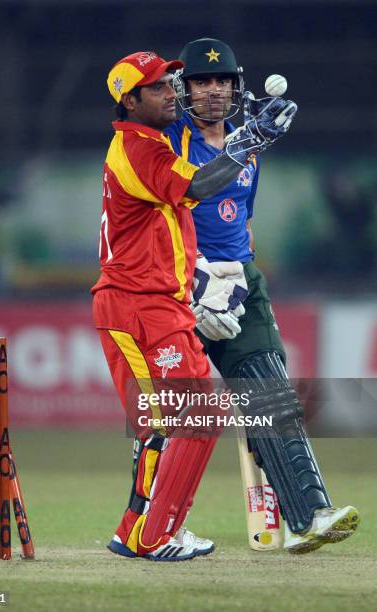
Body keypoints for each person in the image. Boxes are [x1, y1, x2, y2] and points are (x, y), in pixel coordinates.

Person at [91, 49, 297, 561]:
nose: (171, 94)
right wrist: (248, 140)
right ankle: (154, 535)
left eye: (170, 84)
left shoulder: (153, 142)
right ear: (131, 100)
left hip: (162, 305)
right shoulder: (137, 149)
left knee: (171, 423)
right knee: (185, 420)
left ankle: (140, 531)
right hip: (134, 308)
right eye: (159, 88)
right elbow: (199, 187)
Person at [165, 37, 360, 554]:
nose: (211, 91)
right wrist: (194, 285)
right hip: (179, 282)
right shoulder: (168, 138)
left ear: (236, 86)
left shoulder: (248, 137)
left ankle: (308, 517)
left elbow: (240, 216)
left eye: (221, 81)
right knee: (170, 415)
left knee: (270, 398)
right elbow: (189, 194)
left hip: (240, 280)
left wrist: (238, 276)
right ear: (182, 90)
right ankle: (151, 529)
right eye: (200, 82)